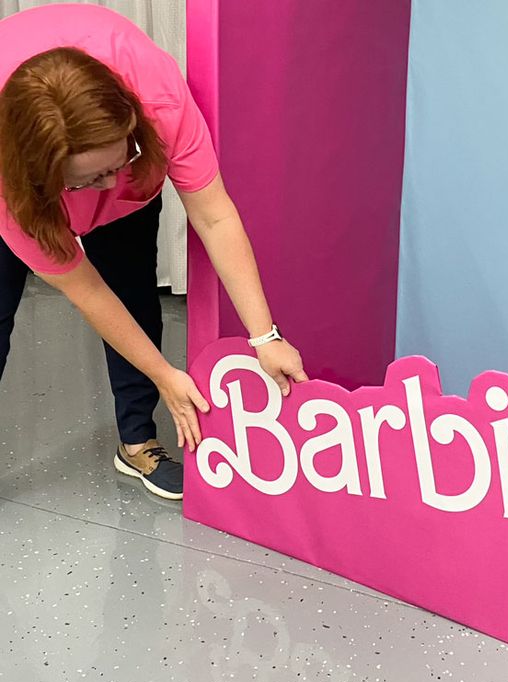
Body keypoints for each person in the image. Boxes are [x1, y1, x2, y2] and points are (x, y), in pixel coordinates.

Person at [0, 3, 308, 500]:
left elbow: (215, 216)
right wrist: (166, 374)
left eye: (114, 164)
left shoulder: (159, 102)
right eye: (88, 180)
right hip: (21, 190)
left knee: (133, 290)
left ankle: (137, 442)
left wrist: (264, 336)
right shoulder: (8, 181)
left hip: (128, 131)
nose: (108, 185)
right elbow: (86, 292)